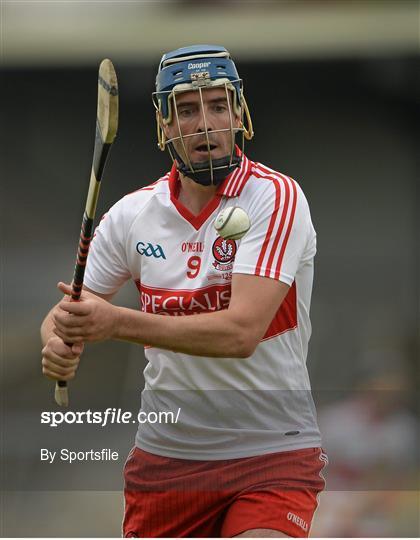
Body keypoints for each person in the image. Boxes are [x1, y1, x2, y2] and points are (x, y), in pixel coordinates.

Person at [41, 44, 327, 538]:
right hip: (167, 461)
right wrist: (57, 339)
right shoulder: (133, 216)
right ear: (165, 125)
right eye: (188, 110)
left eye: (218, 106)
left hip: (271, 451)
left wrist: (115, 324)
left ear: (239, 115)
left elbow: (241, 333)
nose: (206, 123)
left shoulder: (275, 198)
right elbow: (69, 312)